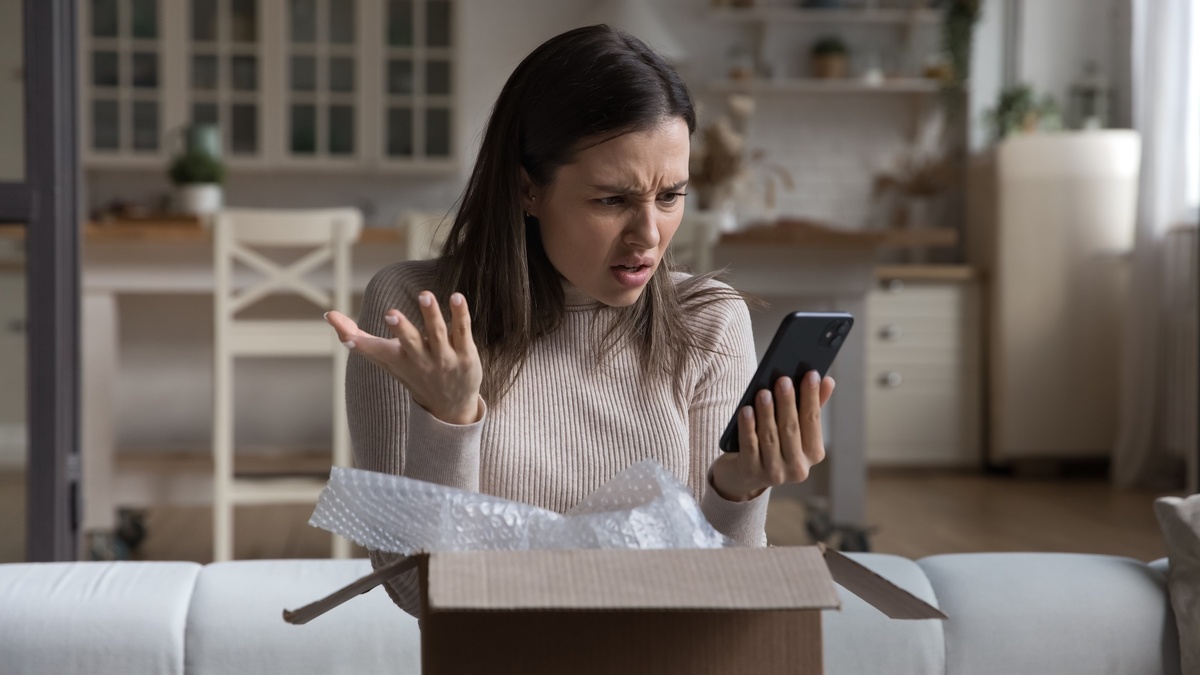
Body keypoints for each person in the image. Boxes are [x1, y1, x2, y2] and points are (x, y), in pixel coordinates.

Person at [324, 24, 836, 617]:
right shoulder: (420, 310)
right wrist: (450, 420)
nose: (649, 236)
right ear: (527, 188)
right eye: (612, 200)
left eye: (670, 196)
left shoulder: (710, 321)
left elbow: (721, 591)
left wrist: (738, 488)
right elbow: (417, 594)